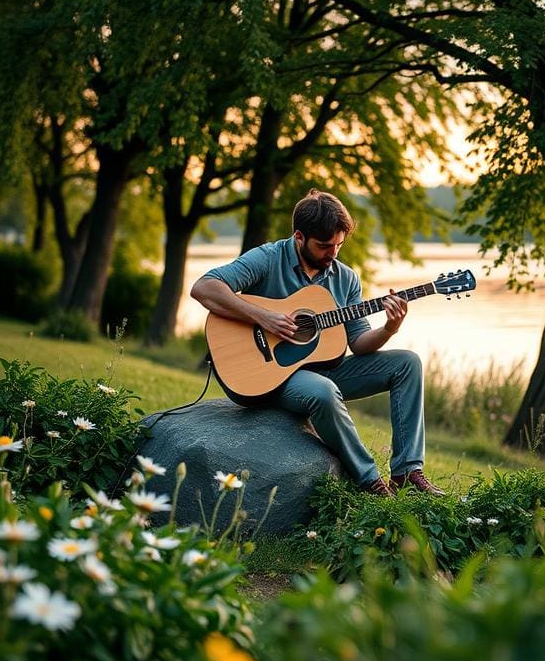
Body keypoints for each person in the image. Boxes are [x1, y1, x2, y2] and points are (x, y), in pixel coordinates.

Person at [190, 188, 444, 497]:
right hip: (265, 378)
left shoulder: (346, 278)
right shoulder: (268, 258)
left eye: (339, 244)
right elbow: (204, 288)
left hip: (317, 370)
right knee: (323, 391)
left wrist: (389, 329)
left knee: (407, 363)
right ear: (299, 236)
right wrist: (262, 317)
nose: (333, 253)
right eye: (325, 245)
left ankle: (407, 472)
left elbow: (360, 342)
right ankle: (370, 480)